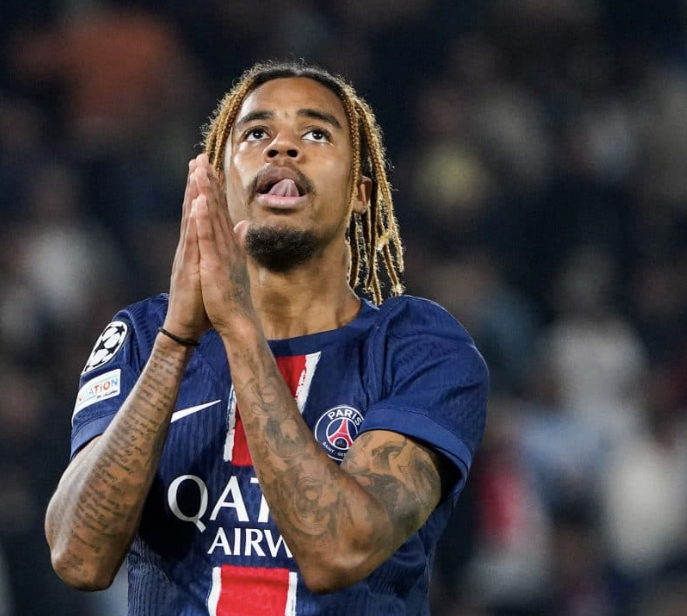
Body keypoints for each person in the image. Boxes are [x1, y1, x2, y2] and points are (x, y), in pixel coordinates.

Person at [45, 61, 489, 616]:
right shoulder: (140, 338)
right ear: (221, 183)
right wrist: (176, 341)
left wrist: (238, 328)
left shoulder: (418, 348)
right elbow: (78, 558)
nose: (283, 148)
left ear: (360, 193)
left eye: (315, 133)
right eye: (257, 134)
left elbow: (336, 552)